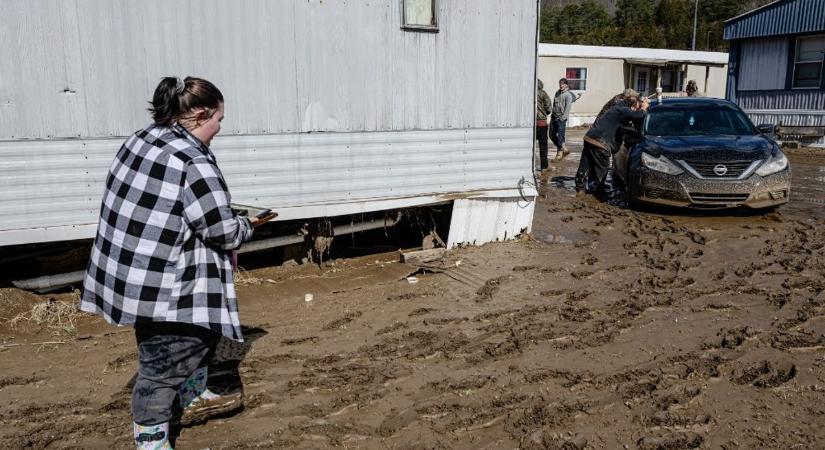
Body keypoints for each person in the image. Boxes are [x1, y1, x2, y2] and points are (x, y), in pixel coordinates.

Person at [80, 76, 273, 449]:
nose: (219, 128)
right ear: (201, 115)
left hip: (133, 276)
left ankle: (193, 393)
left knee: (179, 343)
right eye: (219, 119)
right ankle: (151, 438)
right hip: (169, 286)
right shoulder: (193, 160)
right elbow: (224, 232)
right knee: (163, 366)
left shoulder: (142, 139)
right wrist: (249, 224)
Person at [575, 94, 649, 193]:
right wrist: (644, 108)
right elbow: (638, 115)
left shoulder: (616, 108)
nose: (635, 110)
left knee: (586, 164)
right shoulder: (623, 110)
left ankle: (580, 187)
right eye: (635, 107)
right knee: (602, 168)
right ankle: (597, 189)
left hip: (590, 138)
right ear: (632, 105)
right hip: (600, 143)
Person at [550, 78, 582, 160]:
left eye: (563, 84)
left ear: (566, 85)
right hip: (554, 117)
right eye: (560, 84)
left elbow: (567, 109)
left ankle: (559, 152)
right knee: (551, 135)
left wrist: (562, 118)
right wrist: (552, 115)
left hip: (561, 118)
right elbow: (554, 105)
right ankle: (563, 148)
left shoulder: (568, 95)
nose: (561, 85)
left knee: (560, 136)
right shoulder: (557, 93)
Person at [535, 79, 552, 171]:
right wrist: (544, 113)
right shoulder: (542, 93)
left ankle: (529, 166)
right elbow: (549, 107)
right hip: (542, 123)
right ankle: (544, 167)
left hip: (530, 124)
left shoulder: (528, 93)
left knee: (530, 146)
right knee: (543, 146)